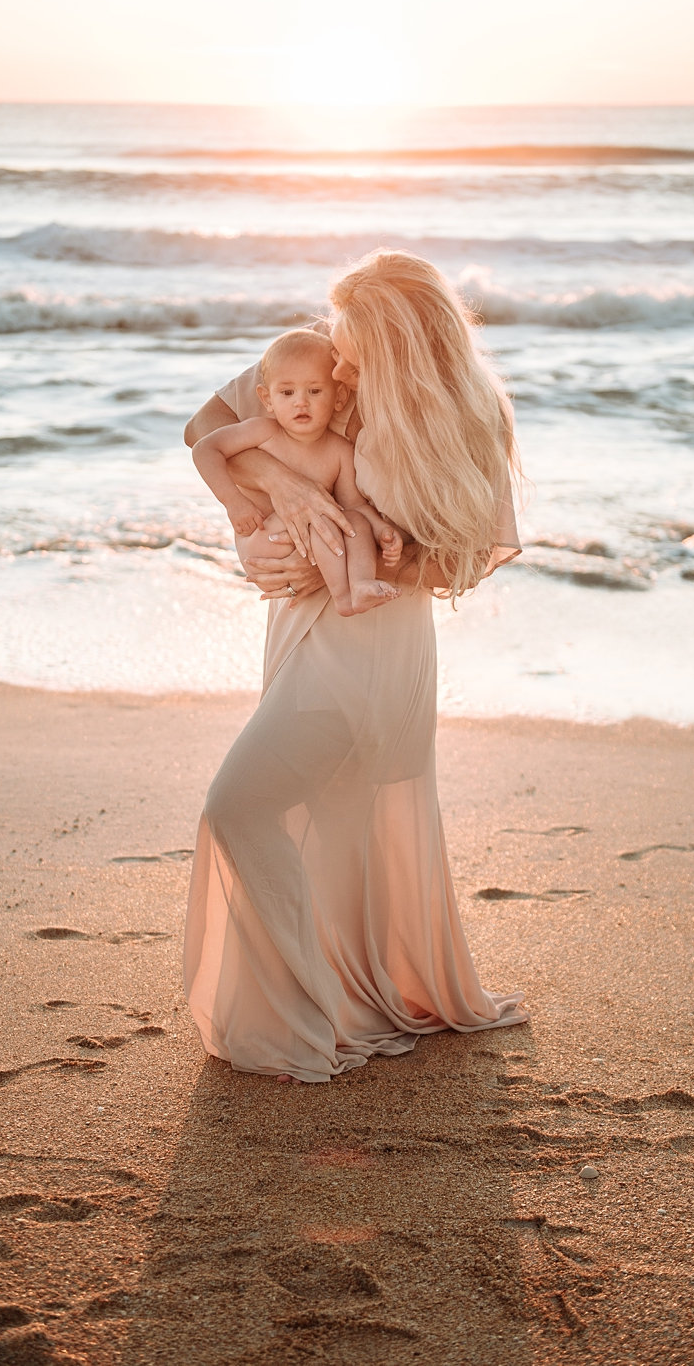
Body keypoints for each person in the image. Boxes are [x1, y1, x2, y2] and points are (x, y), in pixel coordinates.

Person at [183, 250, 528, 1083]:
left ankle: (310, 1012)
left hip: (371, 651)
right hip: (299, 630)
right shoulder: (309, 372)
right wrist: (280, 502)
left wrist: (383, 559)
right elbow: (208, 430)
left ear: (393, 339)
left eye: (349, 340)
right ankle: (336, 994)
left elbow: (467, 559)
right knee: (325, 826)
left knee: (240, 808)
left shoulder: (463, 419)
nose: (333, 358)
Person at [192, 327, 404, 617]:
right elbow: (204, 449)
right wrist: (233, 502)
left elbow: (354, 505)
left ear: (339, 398)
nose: (300, 402)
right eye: (287, 392)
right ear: (267, 399)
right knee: (322, 518)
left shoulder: (339, 451)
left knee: (352, 520)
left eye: (314, 391)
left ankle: (361, 584)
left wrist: (382, 531)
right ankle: (344, 599)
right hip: (262, 539)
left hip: (307, 537)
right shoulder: (262, 431)